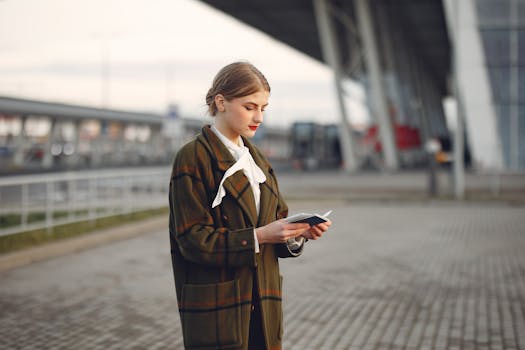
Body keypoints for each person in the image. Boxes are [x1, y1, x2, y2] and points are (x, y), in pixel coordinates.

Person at [168, 61, 331, 350]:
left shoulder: (258, 160)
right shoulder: (193, 158)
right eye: (250, 106)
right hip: (220, 306)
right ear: (221, 102)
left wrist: (296, 234)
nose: (259, 117)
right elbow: (192, 241)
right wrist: (261, 236)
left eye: (263, 108)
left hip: (264, 303)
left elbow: (275, 226)